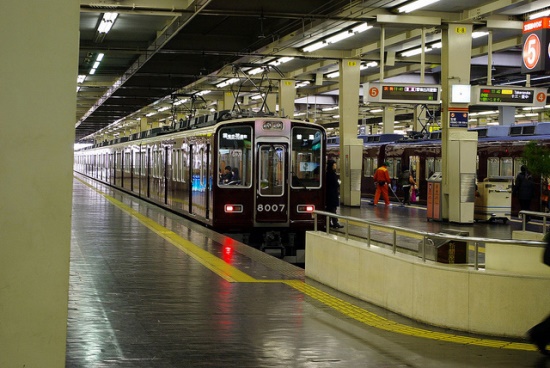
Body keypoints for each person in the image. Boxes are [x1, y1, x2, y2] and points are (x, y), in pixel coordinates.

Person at [325, 159, 343, 228]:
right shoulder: (332, 174)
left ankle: (328, 223)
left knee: (329, 209)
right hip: (332, 194)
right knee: (333, 209)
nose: (335, 166)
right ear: (331, 166)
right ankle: (335, 223)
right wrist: (338, 183)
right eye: (334, 165)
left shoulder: (327, 174)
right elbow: (335, 184)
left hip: (329, 195)